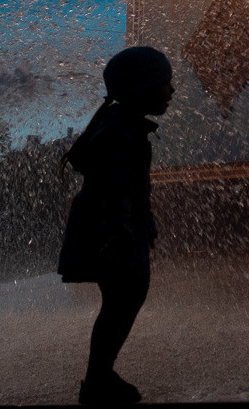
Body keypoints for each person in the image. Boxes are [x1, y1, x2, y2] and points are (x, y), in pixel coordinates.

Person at [57, 46, 174, 405]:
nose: (171, 91)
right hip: (110, 230)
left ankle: (100, 375)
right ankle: (98, 378)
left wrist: (143, 222)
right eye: (164, 83)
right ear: (141, 88)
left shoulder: (120, 127)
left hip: (111, 227)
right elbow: (116, 189)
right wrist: (122, 236)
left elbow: (128, 189)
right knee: (123, 299)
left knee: (122, 299)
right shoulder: (123, 134)